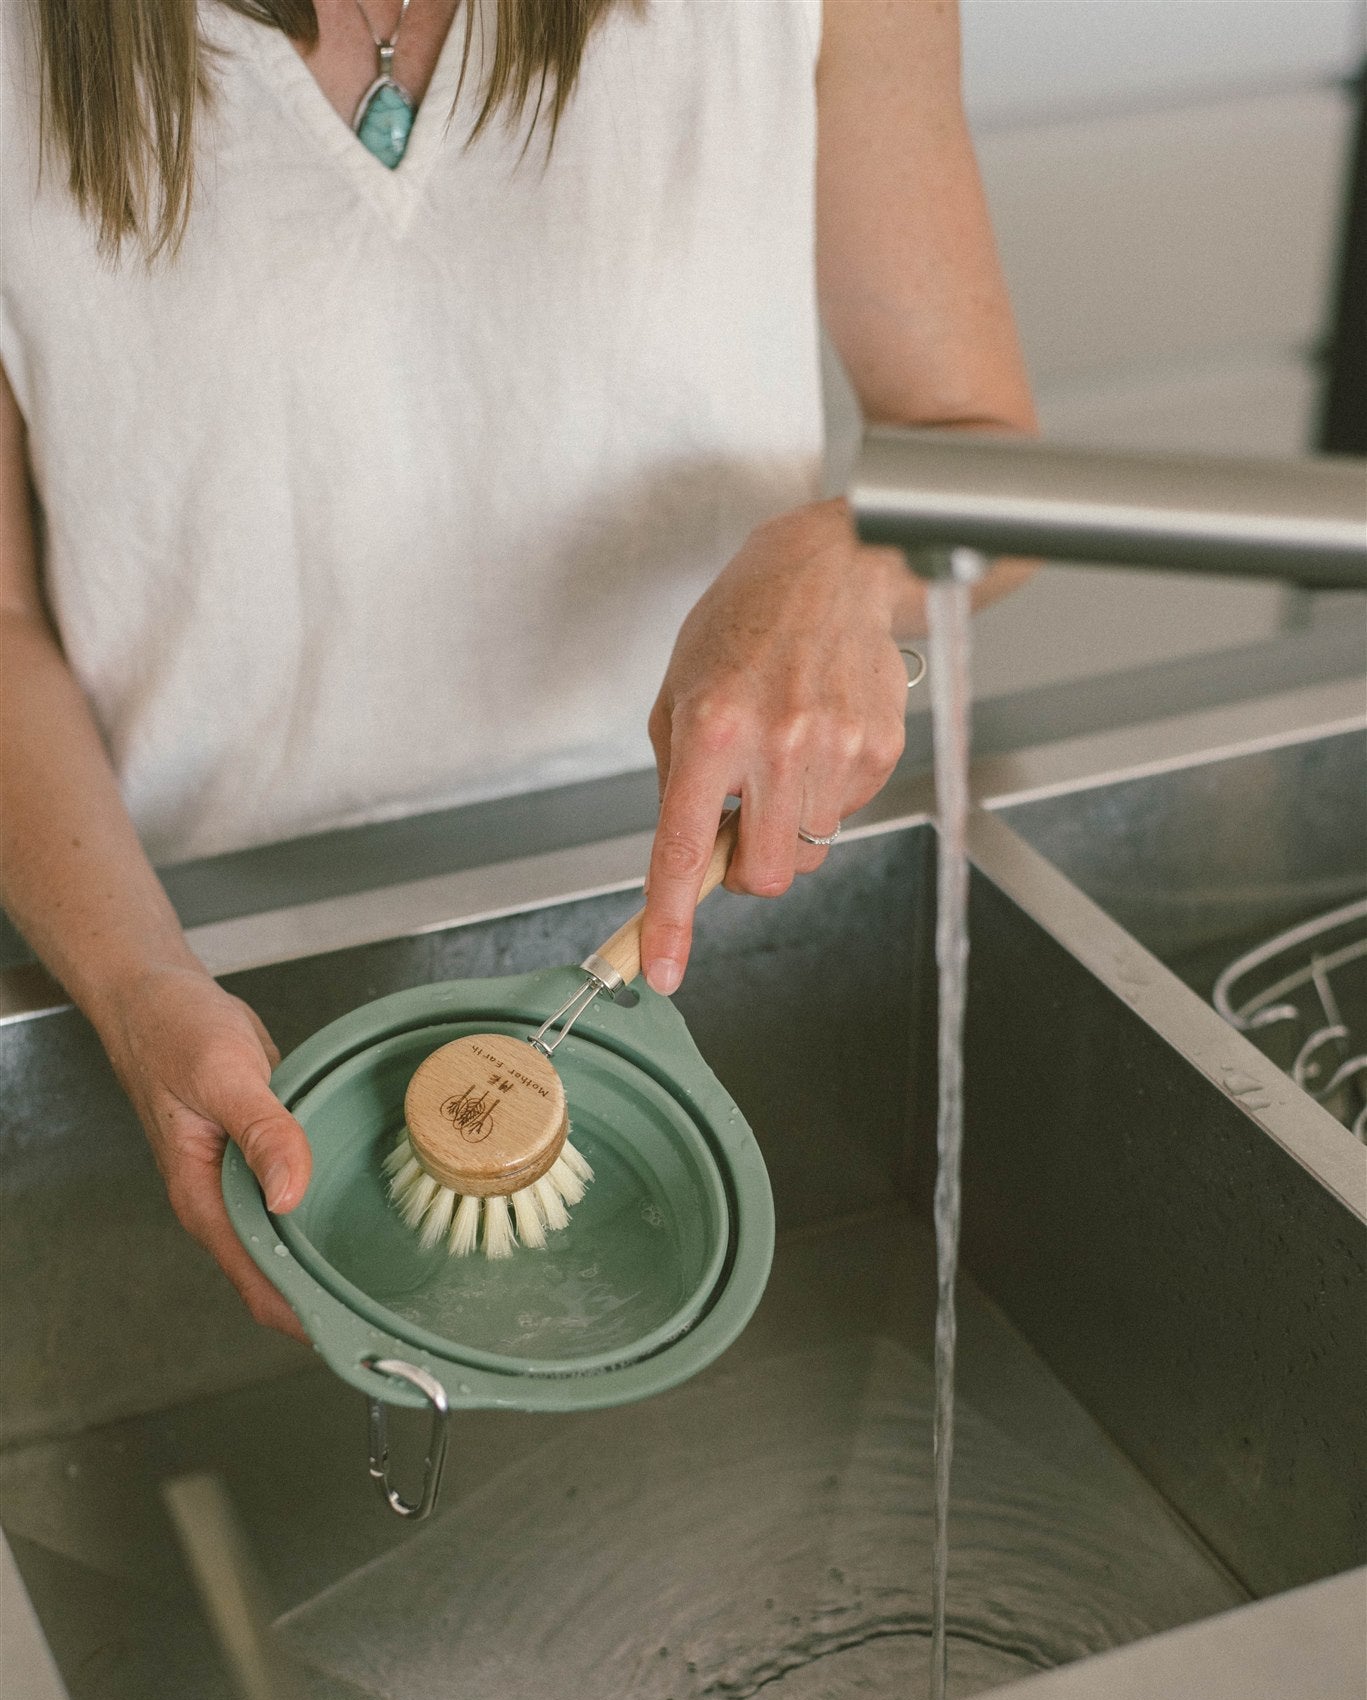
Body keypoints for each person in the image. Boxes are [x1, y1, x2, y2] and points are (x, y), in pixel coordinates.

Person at [0, 0, 1035, 1338]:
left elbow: (986, 457)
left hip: (738, 930)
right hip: (194, 976)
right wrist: (142, 989)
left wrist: (848, 556)